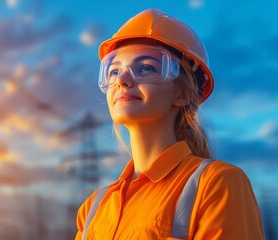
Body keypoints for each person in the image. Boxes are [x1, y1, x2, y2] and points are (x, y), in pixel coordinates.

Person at [75, 9, 264, 240]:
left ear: (184, 93)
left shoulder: (216, 184)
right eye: (113, 71)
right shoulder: (93, 209)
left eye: (146, 67)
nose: (122, 80)